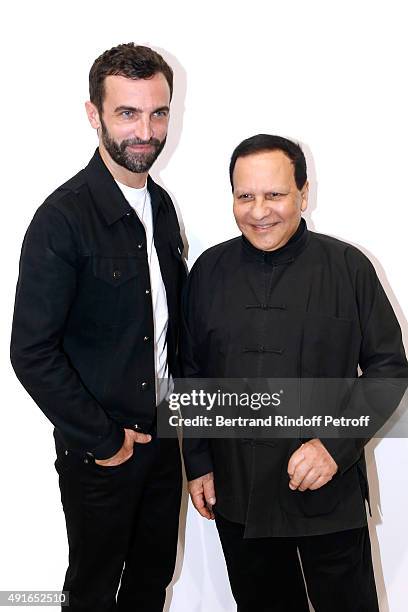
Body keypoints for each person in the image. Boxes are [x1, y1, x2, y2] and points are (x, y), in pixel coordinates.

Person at [181, 134, 408, 611]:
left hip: (329, 493)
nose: (259, 210)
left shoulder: (348, 267)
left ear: (304, 194)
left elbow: (389, 369)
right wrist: (198, 462)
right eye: (246, 196)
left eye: (275, 194)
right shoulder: (207, 271)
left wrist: (334, 445)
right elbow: (192, 372)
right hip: (240, 496)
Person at [10, 43, 186, 612]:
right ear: (95, 114)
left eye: (158, 112)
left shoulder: (160, 207)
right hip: (101, 451)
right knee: (92, 592)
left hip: (165, 442)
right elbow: (30, 351)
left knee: (150, 581)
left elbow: (170, 331)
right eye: (127, 113)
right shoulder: (61, 219)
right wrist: (105, 440)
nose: (146, 130)